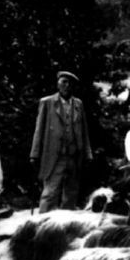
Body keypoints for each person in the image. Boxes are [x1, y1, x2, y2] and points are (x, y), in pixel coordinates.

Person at [30, 71, 93, 211]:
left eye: (70, 83)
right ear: (58, 84)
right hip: (54, 156)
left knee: (71, 194)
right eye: (64, 81)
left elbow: (84, 132)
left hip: (73, 155)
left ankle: (64, 227)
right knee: (50, 193)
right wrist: (34, 154)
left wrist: (88, 154)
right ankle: (44, 225)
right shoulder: (47, 103)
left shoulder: (78, 104)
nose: (67, 85)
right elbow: (39, 130)